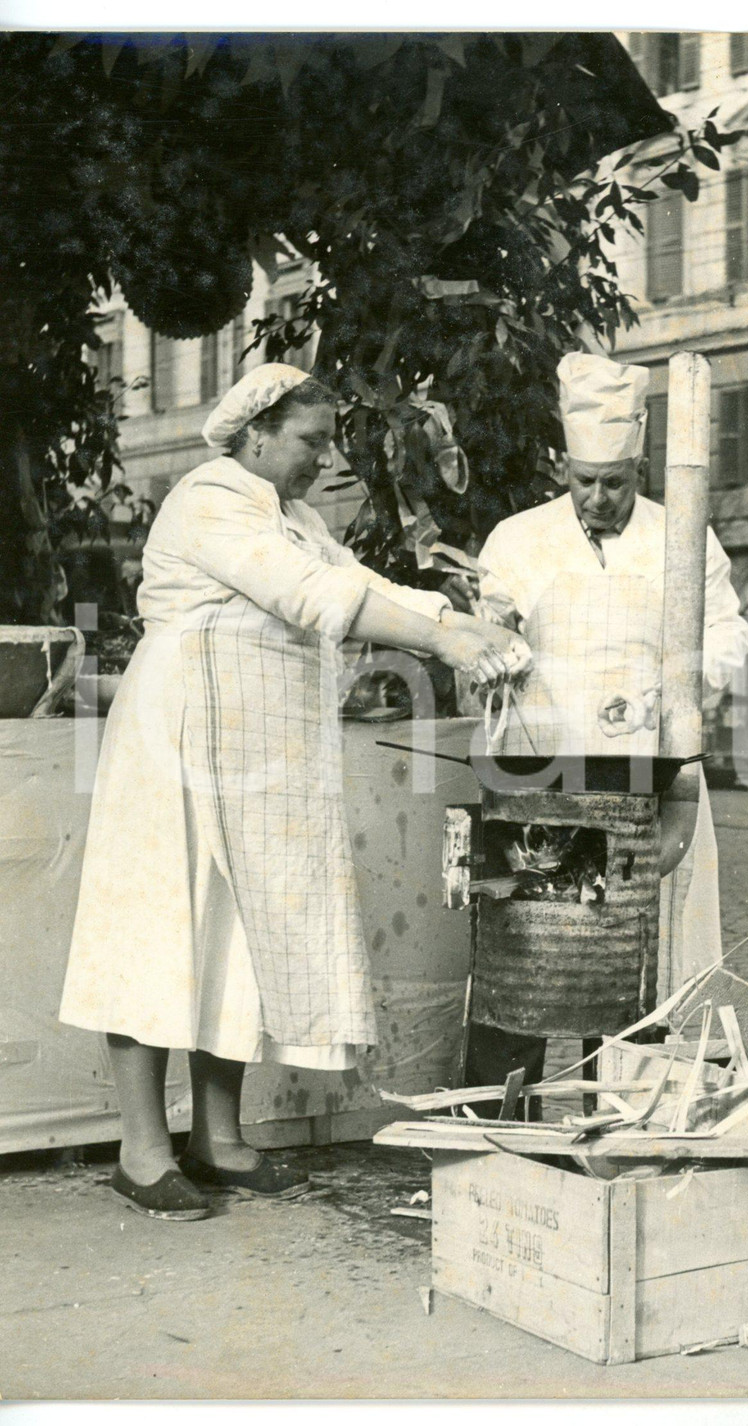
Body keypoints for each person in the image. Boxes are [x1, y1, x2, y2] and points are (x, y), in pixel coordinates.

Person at [60, 363, 529, 1221]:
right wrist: (444, 642)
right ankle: (141, 1151)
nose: (325, 457)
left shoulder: (299, 517)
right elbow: (312, 595)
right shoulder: (210, 496)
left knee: (246, 932)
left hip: (263, 752)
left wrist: (456, 617)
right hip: (180, 737)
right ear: (256, 436)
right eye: (312, 440)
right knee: (161, 927)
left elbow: (365, 586)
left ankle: (219, 1140)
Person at [462, 351, 748, 1097]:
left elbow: (728, 634)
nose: (598, 498)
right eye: (584, 481)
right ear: (563, 465)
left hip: (650, 769)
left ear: (642, 469)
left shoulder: (680, 535)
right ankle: (500, 1130)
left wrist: (673, 687)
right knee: (525, 958)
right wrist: (488, 636)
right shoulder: (518, 538)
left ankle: (619, 1123)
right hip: (542, 770)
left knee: (633, 957)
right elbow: (482, 642)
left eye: (615, 483)